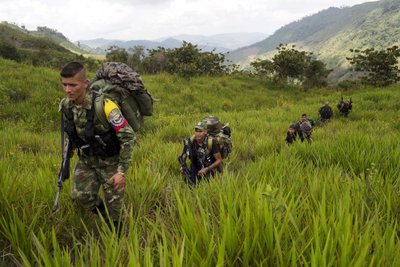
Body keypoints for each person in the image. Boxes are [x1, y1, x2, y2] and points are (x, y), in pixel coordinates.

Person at [59, 62, 135, 233]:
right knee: (80, 196)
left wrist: (121, 171)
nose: (67, 90)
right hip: (87, 160)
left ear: (85, 84)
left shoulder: (105, 106)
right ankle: (103, 214)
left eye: (73, 85)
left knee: (115, 207)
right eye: (64, 84)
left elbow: (128, 137)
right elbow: (69, 133)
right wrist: (66, 155)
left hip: (111, 163)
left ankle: (117, 237)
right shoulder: (66, 105)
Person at [179, 121, 222, 185]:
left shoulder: (211, 142)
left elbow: (219, 160)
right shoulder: (191, 141)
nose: (197, 134)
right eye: (196, 131)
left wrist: (207, 169)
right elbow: (184, 155)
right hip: (196, 165)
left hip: (209, 166)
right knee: (190, 182)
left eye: (200, 131)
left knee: (207, 184)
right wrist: (182, 166)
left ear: (205, 132)